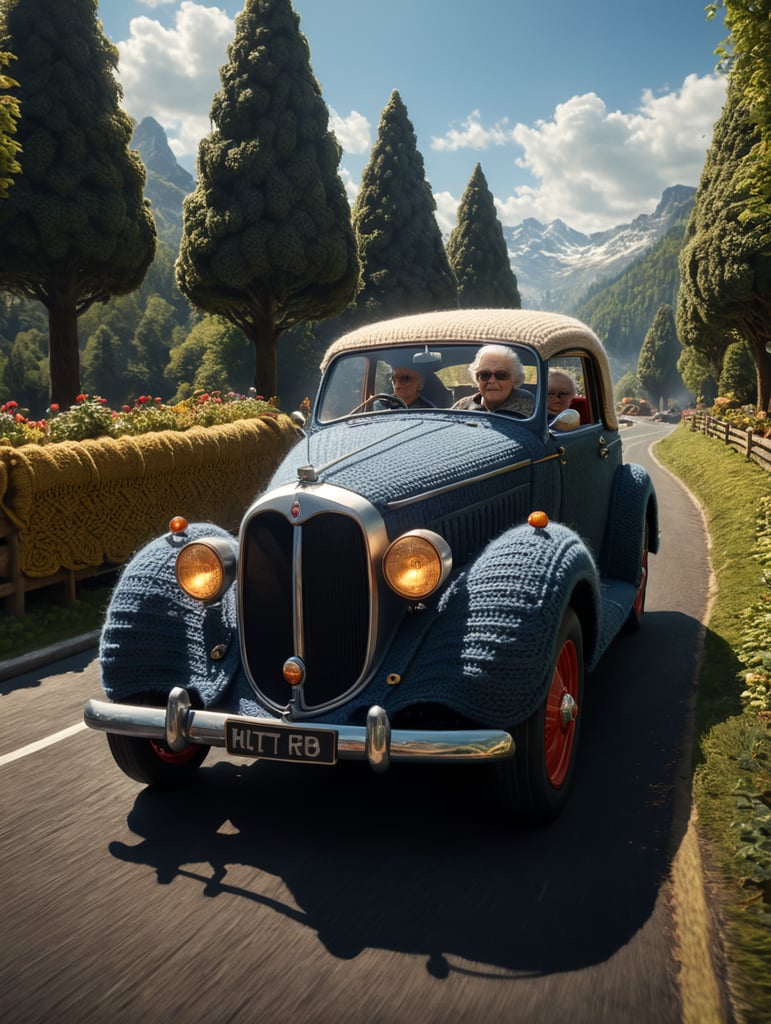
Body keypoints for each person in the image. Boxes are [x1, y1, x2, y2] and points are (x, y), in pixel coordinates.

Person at [451, 344, 533, 415]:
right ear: (477, 379)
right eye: (484, 375)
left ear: (515, 379)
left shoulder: (529, 409)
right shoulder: (462, 406)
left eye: (501, 375)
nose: (491, 381)